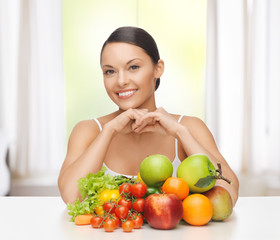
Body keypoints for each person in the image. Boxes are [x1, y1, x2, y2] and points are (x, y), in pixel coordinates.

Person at [58, 26, 239, 205]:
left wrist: (179, 132)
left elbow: (228, 193)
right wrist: (109, 131)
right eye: (110, 71)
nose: (121, 81)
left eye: (133, 67)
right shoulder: (89, 131)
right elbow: (71, 199)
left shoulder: (189, 127)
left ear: (158, 69)